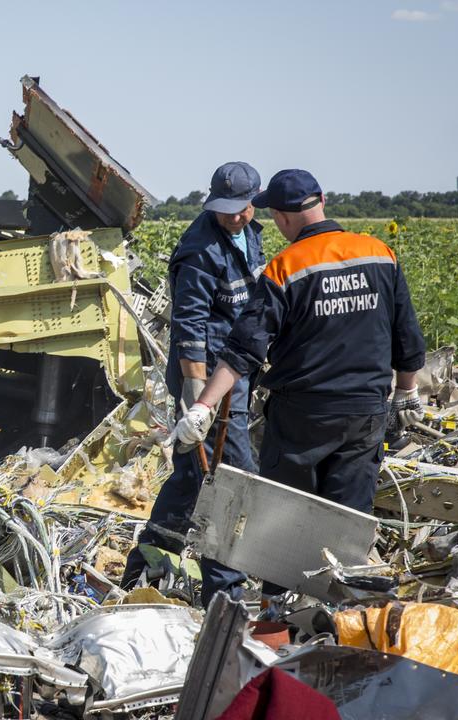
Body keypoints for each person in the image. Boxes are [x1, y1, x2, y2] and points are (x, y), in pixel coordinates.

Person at [173, 169, 426, 603]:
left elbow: (243, 350)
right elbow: (407, 337)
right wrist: (406, 392)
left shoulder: (287, 267)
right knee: (348, 525)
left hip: (302, 418)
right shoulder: (380, 253)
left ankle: (281, 620)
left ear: (281, 217)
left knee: (284, 530)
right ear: (322, 200)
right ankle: (341, 624)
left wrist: (202, 406)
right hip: (366, 412)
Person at [121, 162, 266, 607]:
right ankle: (225, 590)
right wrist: (196, 400)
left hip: (236, 370)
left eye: (240, 209)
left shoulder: (251, 232)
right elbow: (190, 327)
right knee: (226, 478)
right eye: (225, 211)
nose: (233, 218)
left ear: (252, 202)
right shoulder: (200, 249)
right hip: (206, 378)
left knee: (189, 478)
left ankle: (146, 568)